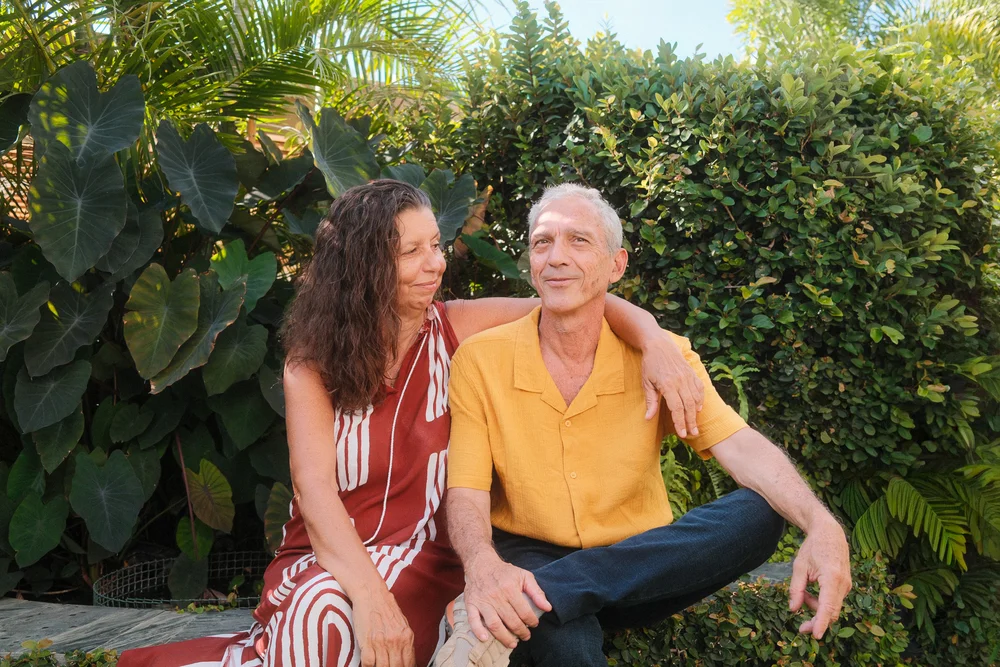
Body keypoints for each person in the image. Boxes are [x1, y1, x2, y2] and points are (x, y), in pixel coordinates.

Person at [117, 179, 706, 667]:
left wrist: (652, 337)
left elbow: (574, 299)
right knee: (323, 612)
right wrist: (369, 597)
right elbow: (315, 494)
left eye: (436, 244)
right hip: (330, 556)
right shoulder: (311, 367)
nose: (437, 263)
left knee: (337, 623)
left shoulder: (458, 329)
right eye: (413, 252)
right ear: (367, 268)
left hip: (430, 559)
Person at [435, 183, 853, 667]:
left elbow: (739, 447)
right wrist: (484, 566)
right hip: (529, 554)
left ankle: (534, 597)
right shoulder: (481, 360)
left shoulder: (663, 358)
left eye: (579, 240)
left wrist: (823, 526)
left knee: (760, 514)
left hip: (639, 564)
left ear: (617, 264)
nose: (556, 257)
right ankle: (539, 596)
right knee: (562, 641)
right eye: (542, 242)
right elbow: (466, 489)